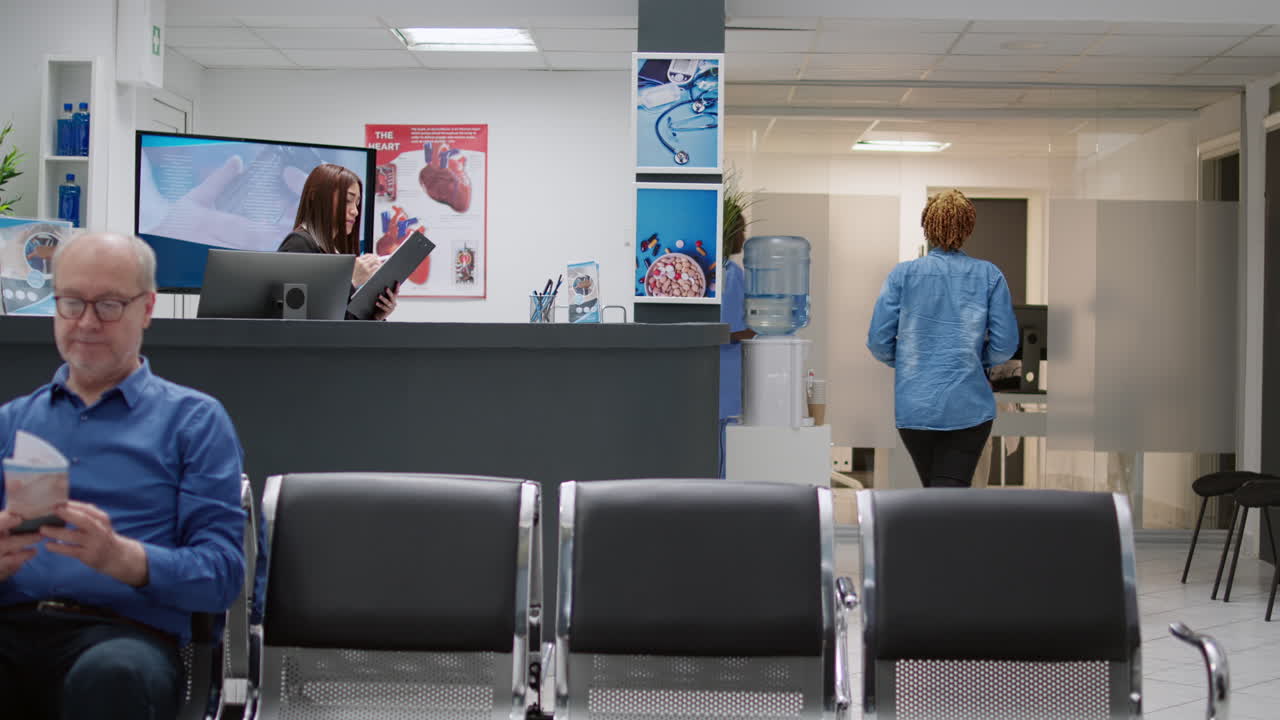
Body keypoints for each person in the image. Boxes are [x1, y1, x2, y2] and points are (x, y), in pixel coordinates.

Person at [0, 233, 246, 719]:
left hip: (123, 636)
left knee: (113, 677)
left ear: (147, 308)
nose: (86, 322)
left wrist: (125, 559)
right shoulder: (11, 422)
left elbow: (223, 575)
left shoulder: (193, 422)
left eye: (109, 305)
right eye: (72, 302)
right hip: (11, 626)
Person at [866, 189, 1018, 488]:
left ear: (927, 227)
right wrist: (979, 360)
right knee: (949, 494)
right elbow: (1005, 344)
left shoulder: (903, 275)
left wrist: (911, 360)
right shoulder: (989, 275)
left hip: (915, 407)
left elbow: (877, 341)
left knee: (937, 492)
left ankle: (935, 534)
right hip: (969, 407)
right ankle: (946, 535)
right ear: (968, 228)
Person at [278, 163, 399, 320]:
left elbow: (342, 322)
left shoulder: (336, 251)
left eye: (356, 203)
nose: (354, 211)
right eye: (348, 200)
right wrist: (351, 281)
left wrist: (375, 316)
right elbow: (302, 319)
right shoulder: (299, 244)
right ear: (318, 197)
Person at [718, 212, 756, 477]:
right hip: (724, 378)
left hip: (719, 380)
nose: (744, 237)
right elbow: (730, 330)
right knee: (722, 456)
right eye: (741, 231)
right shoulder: (731, 276)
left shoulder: (726, 274)